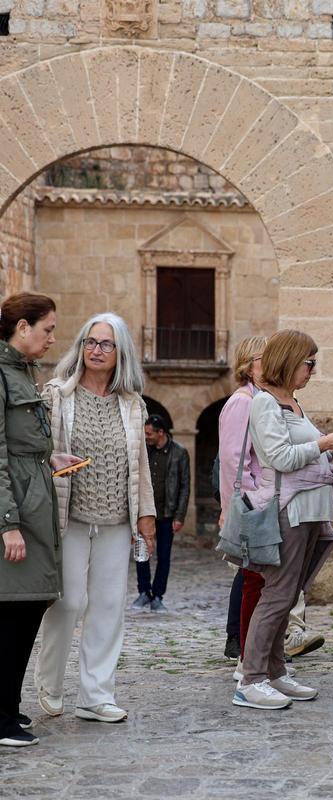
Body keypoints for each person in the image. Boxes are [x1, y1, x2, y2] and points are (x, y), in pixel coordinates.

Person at [37, 313, 158, 725]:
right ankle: (50, 683)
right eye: (90, 341)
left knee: (108, 607)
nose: (96, 350)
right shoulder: (58, 395)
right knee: (68, 602)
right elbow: (38, 452)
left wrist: (146, 516)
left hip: (115, 521)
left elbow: (140, 466)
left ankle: (95, 695)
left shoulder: (132, 404)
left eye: (106, 344)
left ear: (121, 352)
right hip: (67, 517)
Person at [234, 330, 333, 710]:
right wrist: (324, 442)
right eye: (309, 362)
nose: (313, 370)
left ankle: (275, 672)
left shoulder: (292, 402)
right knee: (276, 595)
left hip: (309, 511)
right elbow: (281, 459)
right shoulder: (265, 403)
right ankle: (251, 679)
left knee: (287, 596)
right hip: (288, 511)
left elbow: (308, 458)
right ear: (290, 360)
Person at [0, 293, 79, 747]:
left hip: (34, 500)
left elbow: (23, 443)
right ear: (23, 327)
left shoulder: (21, 371)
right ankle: (0, 719)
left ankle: (7, 707)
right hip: (17, 511)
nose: (52, 338)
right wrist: (7, 523)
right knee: (14, 611)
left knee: (27, 606)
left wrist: (49, 459)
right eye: (47, 329)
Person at [218, 336, 267, 662]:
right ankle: (245, 652)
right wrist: (248, 505)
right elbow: (234, 461)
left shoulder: (261, 400)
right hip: (252, 506)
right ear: (250, 365)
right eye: (266, 358)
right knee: (253, 579)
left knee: (259, 579)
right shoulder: (242, 402)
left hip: (261, 503)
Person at [136, 414, 189, 612]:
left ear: (161, 432)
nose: (146, 437)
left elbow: (185, 486)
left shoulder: (179, 453)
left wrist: (180, 516)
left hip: (167, 514)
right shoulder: (144, 451)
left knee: (164, 556)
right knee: (142, 553)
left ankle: (158, 595)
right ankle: (144, 591)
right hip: (145, 513)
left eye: (149, 433)